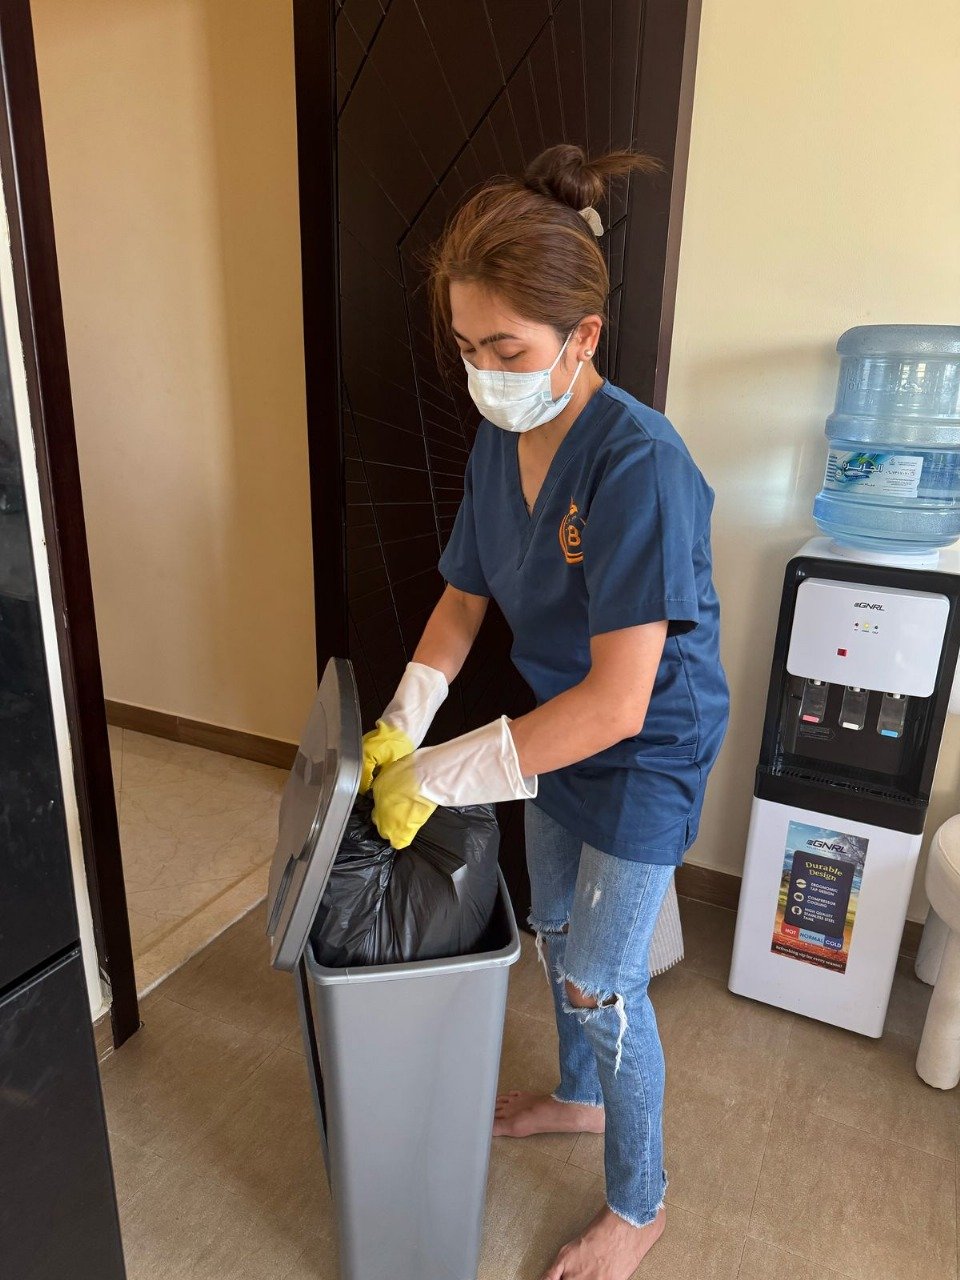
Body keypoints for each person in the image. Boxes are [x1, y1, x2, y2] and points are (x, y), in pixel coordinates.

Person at [360, 144, 730, 1280]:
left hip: (640, 744)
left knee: (602, 978)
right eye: (469, 349)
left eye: (507, 350)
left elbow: (622, 702)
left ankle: (640, 1199)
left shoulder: (639, 464)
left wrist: (443, 774)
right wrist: (403, 719)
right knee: (554, 930)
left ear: (583, 338)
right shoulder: (500, 439)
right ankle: (579, 1096)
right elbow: (463, 599)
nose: (484, 372)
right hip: (555, 726)